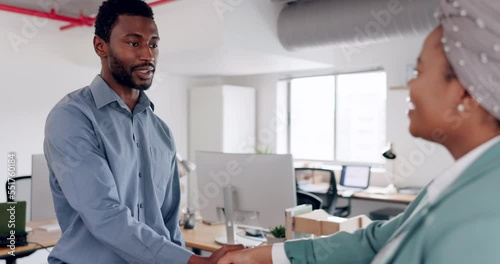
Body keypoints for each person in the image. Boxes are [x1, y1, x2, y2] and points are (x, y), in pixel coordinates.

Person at [218, 0, 500, 263]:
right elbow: (374, 242)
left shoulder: (485, 212)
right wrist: (262, 255)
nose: (410, 86)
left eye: (419, 72)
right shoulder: (461, 181)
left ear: (465, 93)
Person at [43, 0, 242, 263]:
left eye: (154, 44)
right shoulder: (72, 117)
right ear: (100, 46)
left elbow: (169, 224)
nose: (148, 55)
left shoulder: (161, 132)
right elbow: (104, 214)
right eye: (134, 43)